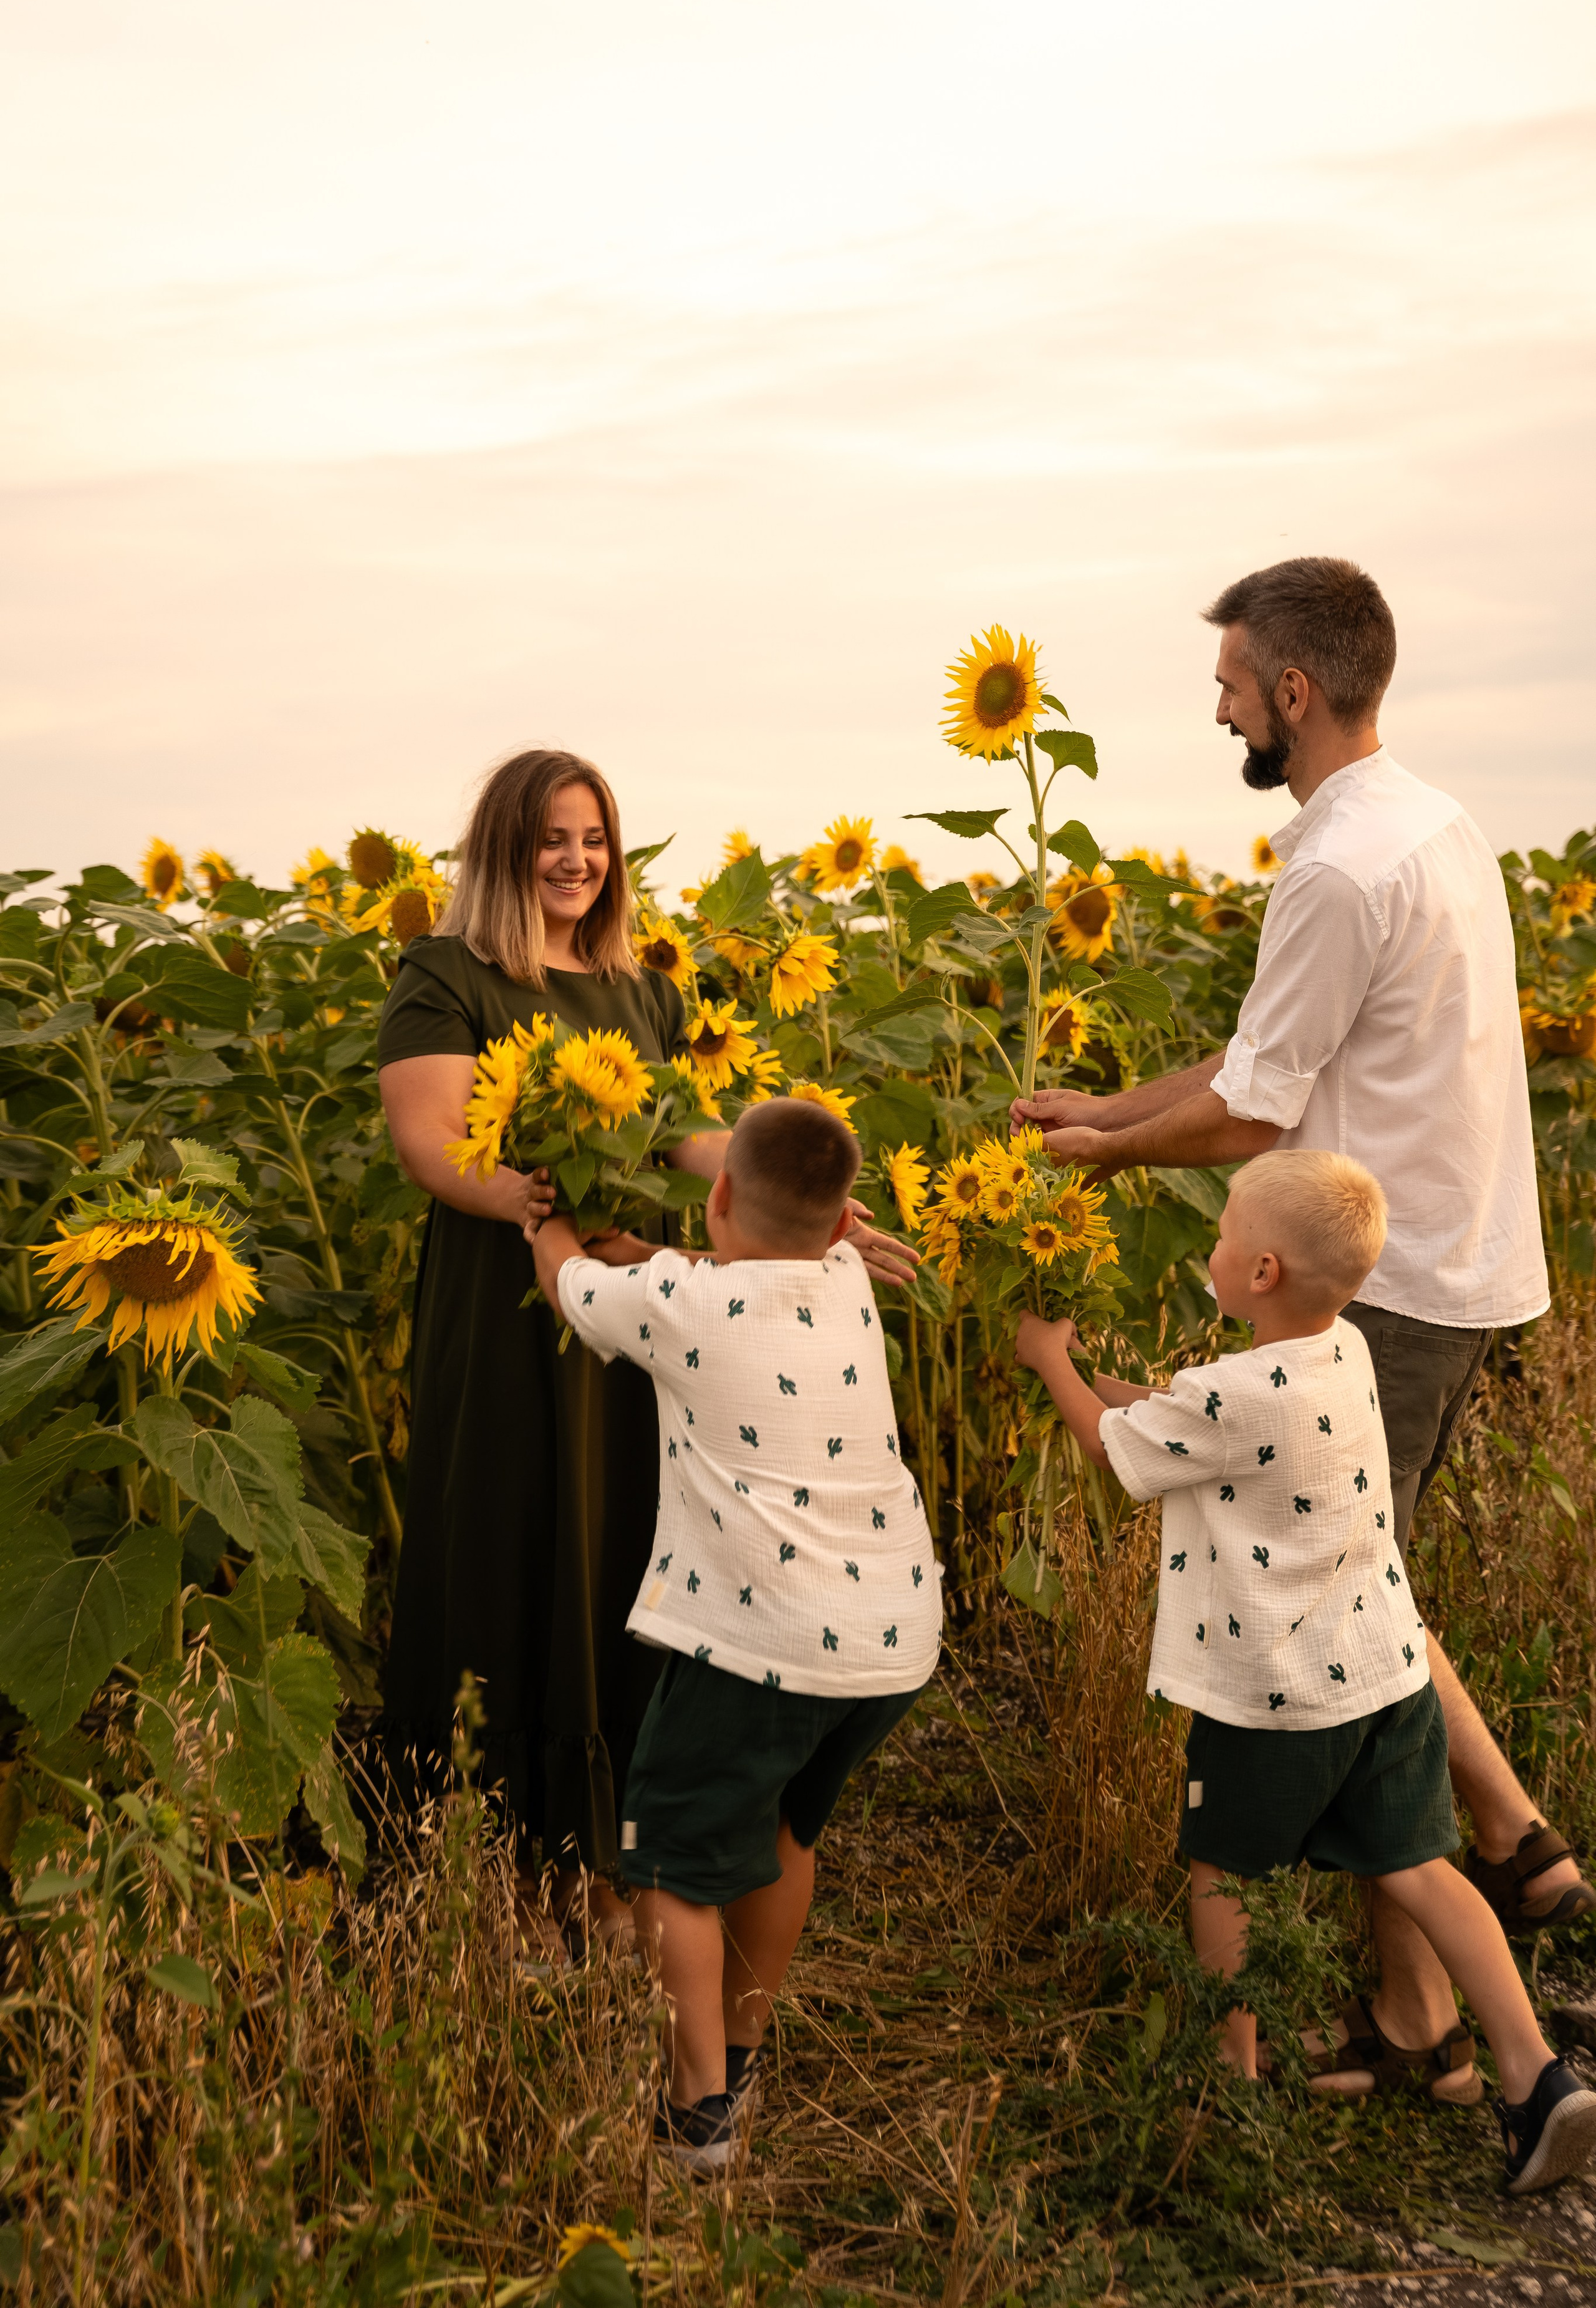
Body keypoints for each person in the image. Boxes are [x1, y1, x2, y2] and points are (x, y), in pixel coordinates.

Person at [1013, 556, 1591, 2099]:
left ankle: (1490, 1892)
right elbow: (1264, 1053)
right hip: (1447, 1255)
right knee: (1367, 1590)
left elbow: (1253, 1112)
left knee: (1347, 1632)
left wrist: (1102, 1156)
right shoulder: (1425, 823)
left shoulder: (1338, 865)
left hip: (1380, 1278)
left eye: (1227, 688)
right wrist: (1110, 1104)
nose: (1219, 714)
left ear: (1292, 688)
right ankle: (1462, 1942)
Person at [379, 752, 916, 1951]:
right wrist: (554, 1220)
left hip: (635, 1302)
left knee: (629, 1540)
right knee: (516, 1542)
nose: (577, 861)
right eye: (551, 839)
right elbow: (434, 1148)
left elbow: (684, 1131)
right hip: (513, 1299)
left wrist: (804, 1199)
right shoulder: (445, 976)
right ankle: (511, 1869)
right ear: (505, 850)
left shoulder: (637, 992)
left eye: (595, 839)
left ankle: (612, 1859)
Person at [1017, 1149, 1596, 2193]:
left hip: (1275, 1697)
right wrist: (1111, 1384)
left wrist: (1049, 1361)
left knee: (1224, 1874)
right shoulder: (1344, 1356)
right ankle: (1534, 2072)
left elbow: (1118, 1452)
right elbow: (1182, 1423)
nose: (1214, 1241)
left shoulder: (1232, 1393)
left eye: (1226, 1230)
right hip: (1387, 1672)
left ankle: (1226, 2091)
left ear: (1262, 1273)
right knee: (1424, 1868)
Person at [532, 1098, 942, 2171]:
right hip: (892, 1632)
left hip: (766, 1640)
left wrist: (543, 1221)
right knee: (781, 1836)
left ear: (716, 1195)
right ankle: (745, 2049)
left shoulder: (677, 1299)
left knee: (668, 1860)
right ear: (841, 1217)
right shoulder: (847, 1277)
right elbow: (708, 1265)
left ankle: (696, 2109)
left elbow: (576, 1288)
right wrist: (646, 1249)